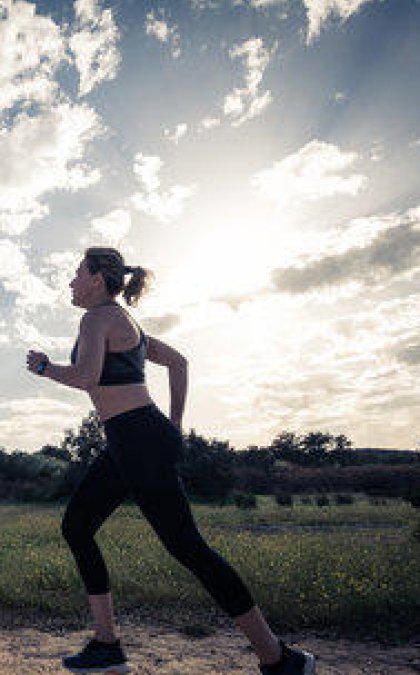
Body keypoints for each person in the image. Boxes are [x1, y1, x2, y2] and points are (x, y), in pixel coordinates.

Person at [26, 247, 315, 675]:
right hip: (130, 439)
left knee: (189, 548)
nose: (70, 282)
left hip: (138, 438)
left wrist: (46, 367)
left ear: (96, 279)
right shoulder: (127, 324)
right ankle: (107, 646)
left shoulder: (98, 318)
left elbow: (86, 377)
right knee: (77, 526)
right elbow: (178, 362)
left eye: (75, 274)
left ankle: (278, 658)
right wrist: (174, 425)